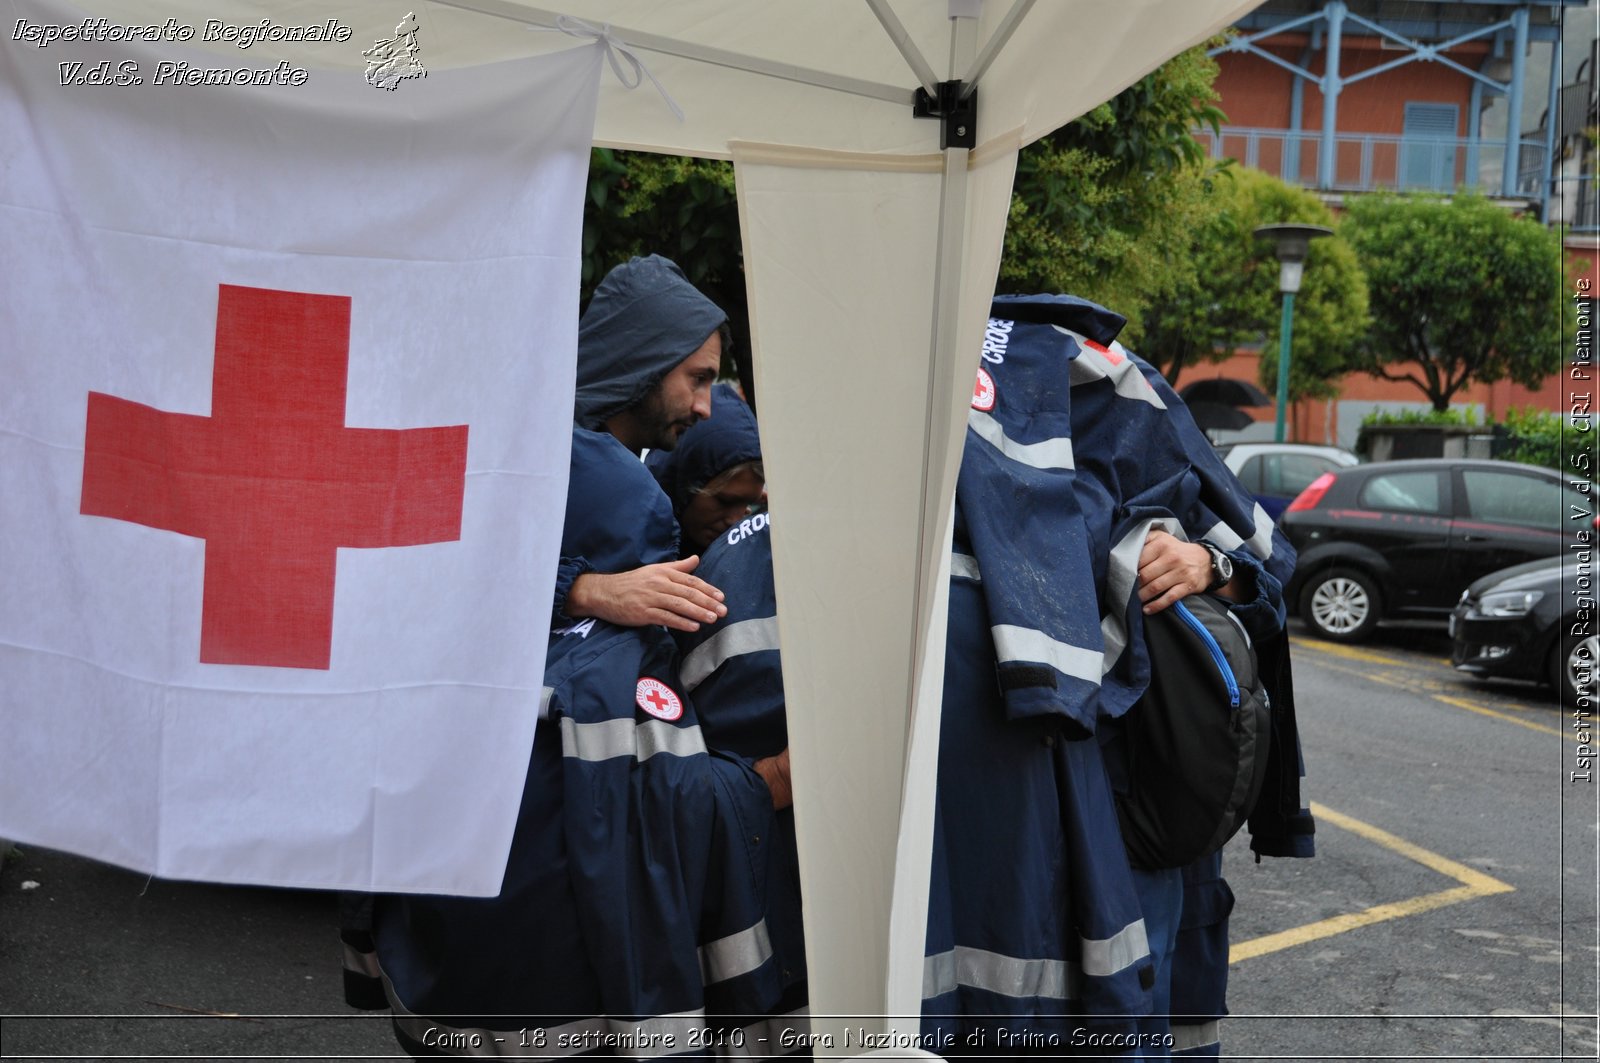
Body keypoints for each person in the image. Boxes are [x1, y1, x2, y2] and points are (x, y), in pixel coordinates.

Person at [352, 256, 787, 1056]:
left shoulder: (553, 450)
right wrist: (585, 591)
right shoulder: (601, 485)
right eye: (695, 378)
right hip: (544, 873)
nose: (704, 402)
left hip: (451, 865)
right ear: (642, 358)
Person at [921, 293, 1312, 1057]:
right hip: (1018, 819)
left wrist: (1213, 565)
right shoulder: (941, 474)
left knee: (1132, 1001)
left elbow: (1267, 578)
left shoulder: (1140, 448)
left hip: (1140, 803)